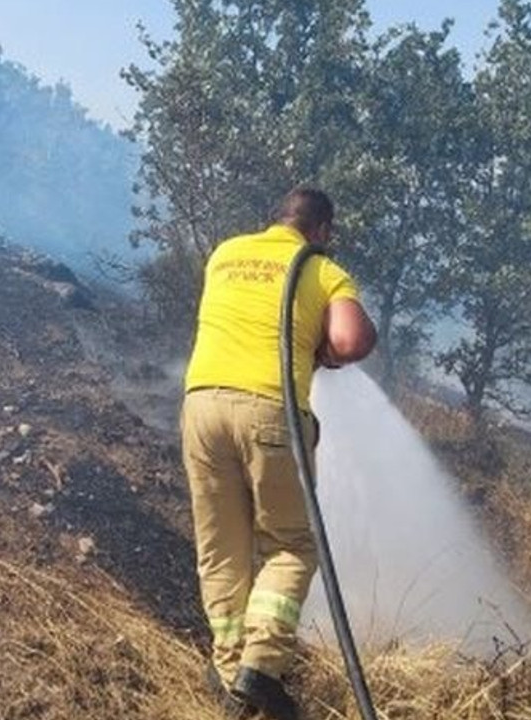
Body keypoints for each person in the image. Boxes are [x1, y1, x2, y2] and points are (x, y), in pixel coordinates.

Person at [180, 187, 376, 719]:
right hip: (271, 412)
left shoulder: (224, 253)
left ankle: (229, 674)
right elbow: (351, 340)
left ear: (274, 219)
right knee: (291, 545)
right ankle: (261, 668)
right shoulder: (318, 267)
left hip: (201, 407)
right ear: (323, 231)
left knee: (220, 548)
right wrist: (324, 353)